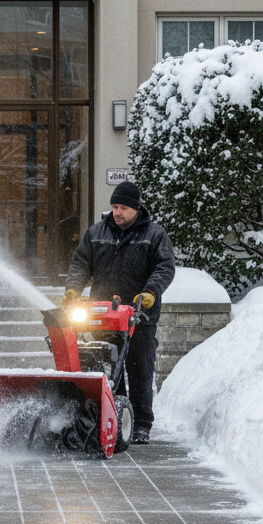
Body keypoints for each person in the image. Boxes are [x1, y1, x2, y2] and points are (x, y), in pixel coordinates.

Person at [60, 180, 175, 444]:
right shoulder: (97, 232)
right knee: (108, 368)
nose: (117, 212)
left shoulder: (154, 235)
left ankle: (142, 424)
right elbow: (80, 264)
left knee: (139, 370)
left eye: (123, 207)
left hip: (139, 316)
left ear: (136, 208)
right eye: (114, 206)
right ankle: (114, 417)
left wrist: (150, 292)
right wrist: (73, 290)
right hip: (102, 314)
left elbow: (164, 268)